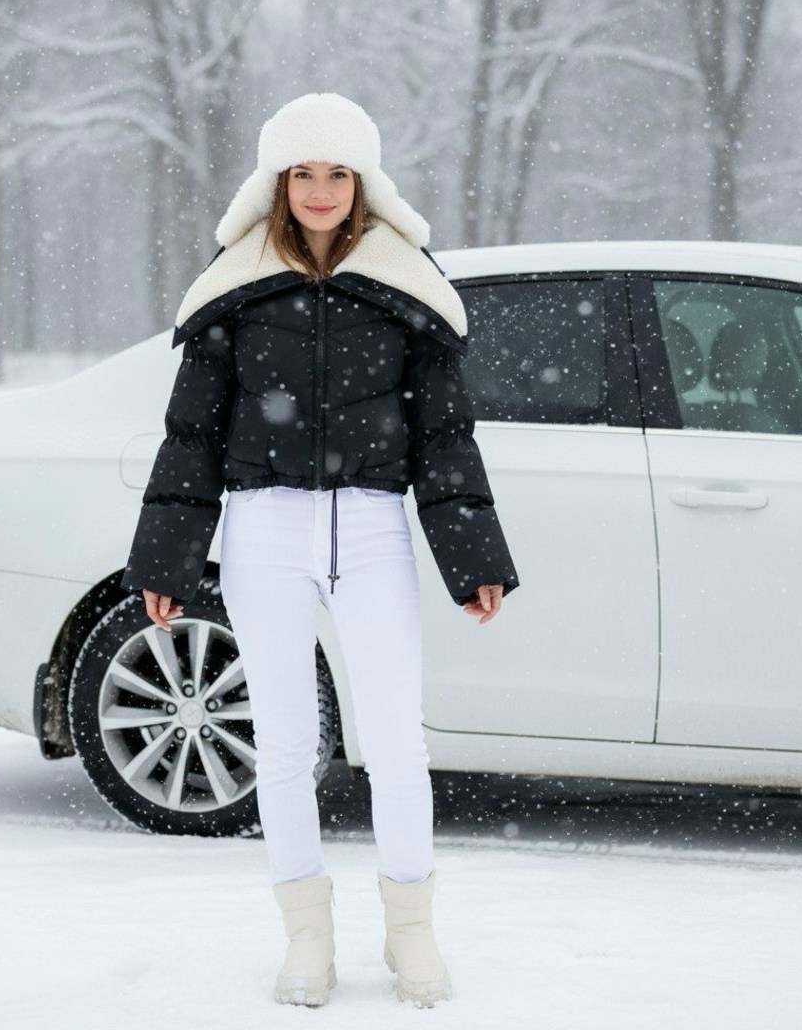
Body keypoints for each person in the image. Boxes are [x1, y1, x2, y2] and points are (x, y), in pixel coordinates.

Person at [122, 92, 520, 1008]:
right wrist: (168, 561)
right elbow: (191, 435)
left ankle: (411, 935)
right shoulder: (239, 281)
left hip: (373, 526)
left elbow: (445, 435)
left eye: (336, 172)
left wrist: (473, 557)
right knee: (288, 746)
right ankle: (307, 941)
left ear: (363, 181)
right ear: (277, 180)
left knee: (394, 741)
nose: (319, 190)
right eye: (303, 172)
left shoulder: (401, 281)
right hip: (263, 528)